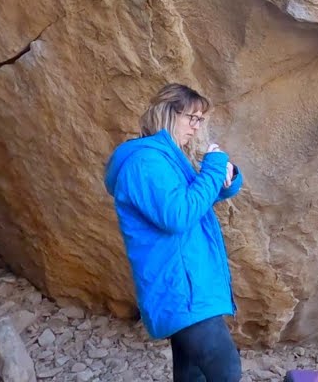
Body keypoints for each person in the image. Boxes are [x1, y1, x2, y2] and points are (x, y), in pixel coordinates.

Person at [105, 83, 244, 382]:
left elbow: (192, 203)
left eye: (199, 120)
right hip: (180, 288)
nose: (196, 127)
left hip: (187, 286)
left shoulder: (166, 161)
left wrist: (223, 180)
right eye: (191, 118)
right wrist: (212, 168)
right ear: (167, 113)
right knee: (225, 368)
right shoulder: (145, 162)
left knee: (192, 374)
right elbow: (177, 215)